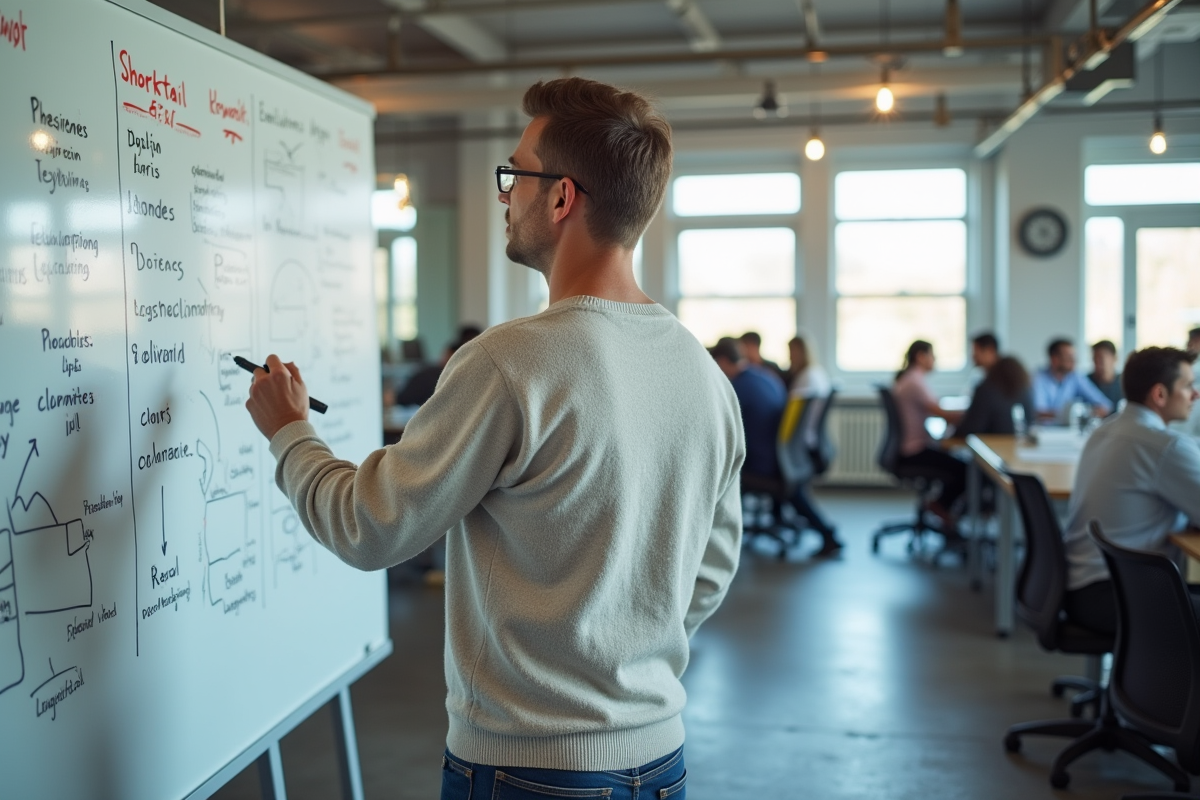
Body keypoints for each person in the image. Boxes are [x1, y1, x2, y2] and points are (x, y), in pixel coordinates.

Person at [246, 77, 743, 799]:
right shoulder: (703, 374)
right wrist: (618, 649)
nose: (505, 194)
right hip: (661, 763)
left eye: (515, 175)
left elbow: (368, 527)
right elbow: (711, 569)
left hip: (527, 768)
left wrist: (290, 432)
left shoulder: (509, 363)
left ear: (563, 197)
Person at [1061, 347, 1200, 635]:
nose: (1195, 394)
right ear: (1159, 394)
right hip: (1118, 596)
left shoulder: (1106, 428)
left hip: (1084, 587)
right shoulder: (1164, 446)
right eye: (1188, 386)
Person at [712, 337, 842, 556]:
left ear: (723, 361)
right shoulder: (765, 377)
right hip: (785, 457)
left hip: (765, 463)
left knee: (717, 471)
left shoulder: (737, 388)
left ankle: (716, 544)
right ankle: (826, 532)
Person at [892, 341, 967, 527]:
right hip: (914, 450)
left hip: (910, 447)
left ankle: (943, 508)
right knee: (964, 470)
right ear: (921, 356)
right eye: (932, 356)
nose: (935, 361)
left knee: (957, 462)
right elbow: (941, 413)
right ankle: (940, 506)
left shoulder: (910, 379)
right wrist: (973, 413)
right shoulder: (914, 382)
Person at [1031, 338, 1113, 423]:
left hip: (1071, 433)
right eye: (1069, 357)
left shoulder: (1075, 376)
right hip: (1044, 433)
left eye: (1074, 357)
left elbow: (1105, 405)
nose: (1074, 361)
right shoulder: (1038, 378)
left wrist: (1085, 413)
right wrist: (1071, 414)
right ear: (1054, 359)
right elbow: (1038, 413)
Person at [956, 356, 1034, 438]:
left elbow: (970, 428)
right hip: (1016, 445)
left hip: (987, 445)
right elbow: (1030, 422)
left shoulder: (986, 391)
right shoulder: (1026, 392)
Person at [786, 333, 833, 451]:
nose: (789, 356)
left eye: (792, 351)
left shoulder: (807, 378)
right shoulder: (817, 372)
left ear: (803, 352)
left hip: (803, 436)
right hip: (812, 435)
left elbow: (790, 414)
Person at [1087, 339, 1123, 408]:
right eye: (1095, 358)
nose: (1098, 362)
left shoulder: (1124, 383)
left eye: (1102, 358)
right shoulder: (1086, 382)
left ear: (1115, 358)